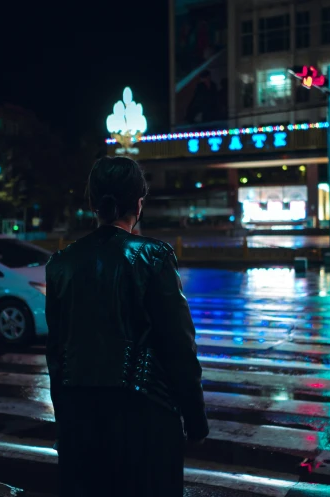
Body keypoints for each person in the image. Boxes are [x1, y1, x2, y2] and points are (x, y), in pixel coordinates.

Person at [45, 156, 209, 497]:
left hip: (81, 418)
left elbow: (57, 354)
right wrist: (195, 418)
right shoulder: (154, 256)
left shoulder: (61, 264)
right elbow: (179, 345)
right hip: (145, 417)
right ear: (139, 202)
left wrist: (65, 422)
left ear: (92, 203)